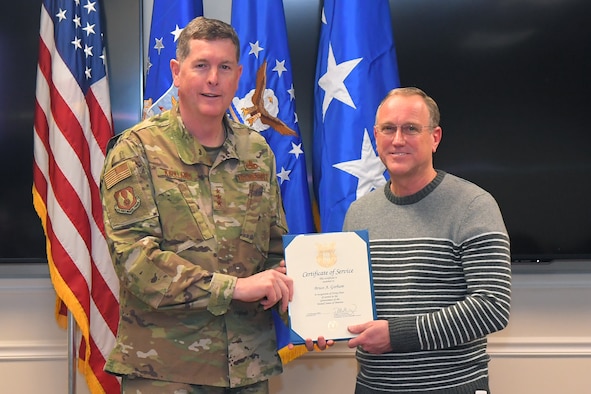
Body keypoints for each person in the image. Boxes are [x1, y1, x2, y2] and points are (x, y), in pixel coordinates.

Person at [100, 16, 305, 393]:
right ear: (177, 72)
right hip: (167, 370)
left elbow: (276, 248)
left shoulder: (257, 152)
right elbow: (136, 262)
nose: (214, 79)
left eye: (224, 67)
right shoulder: (136, 150)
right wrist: (233, 288)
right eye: (202, 65)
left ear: (239, 75)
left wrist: (312, 308)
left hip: (247, 368)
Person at [341, 87, 512, 393]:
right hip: (373, 386)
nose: (397, 140)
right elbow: (347, 298)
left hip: (452, 386)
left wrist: (398, 335)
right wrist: (320, 320)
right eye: (388, 129)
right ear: (376, 136)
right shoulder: (358, 213)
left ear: (434, 137)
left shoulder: (473, 206)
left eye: (410, 129)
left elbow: (492, 306)